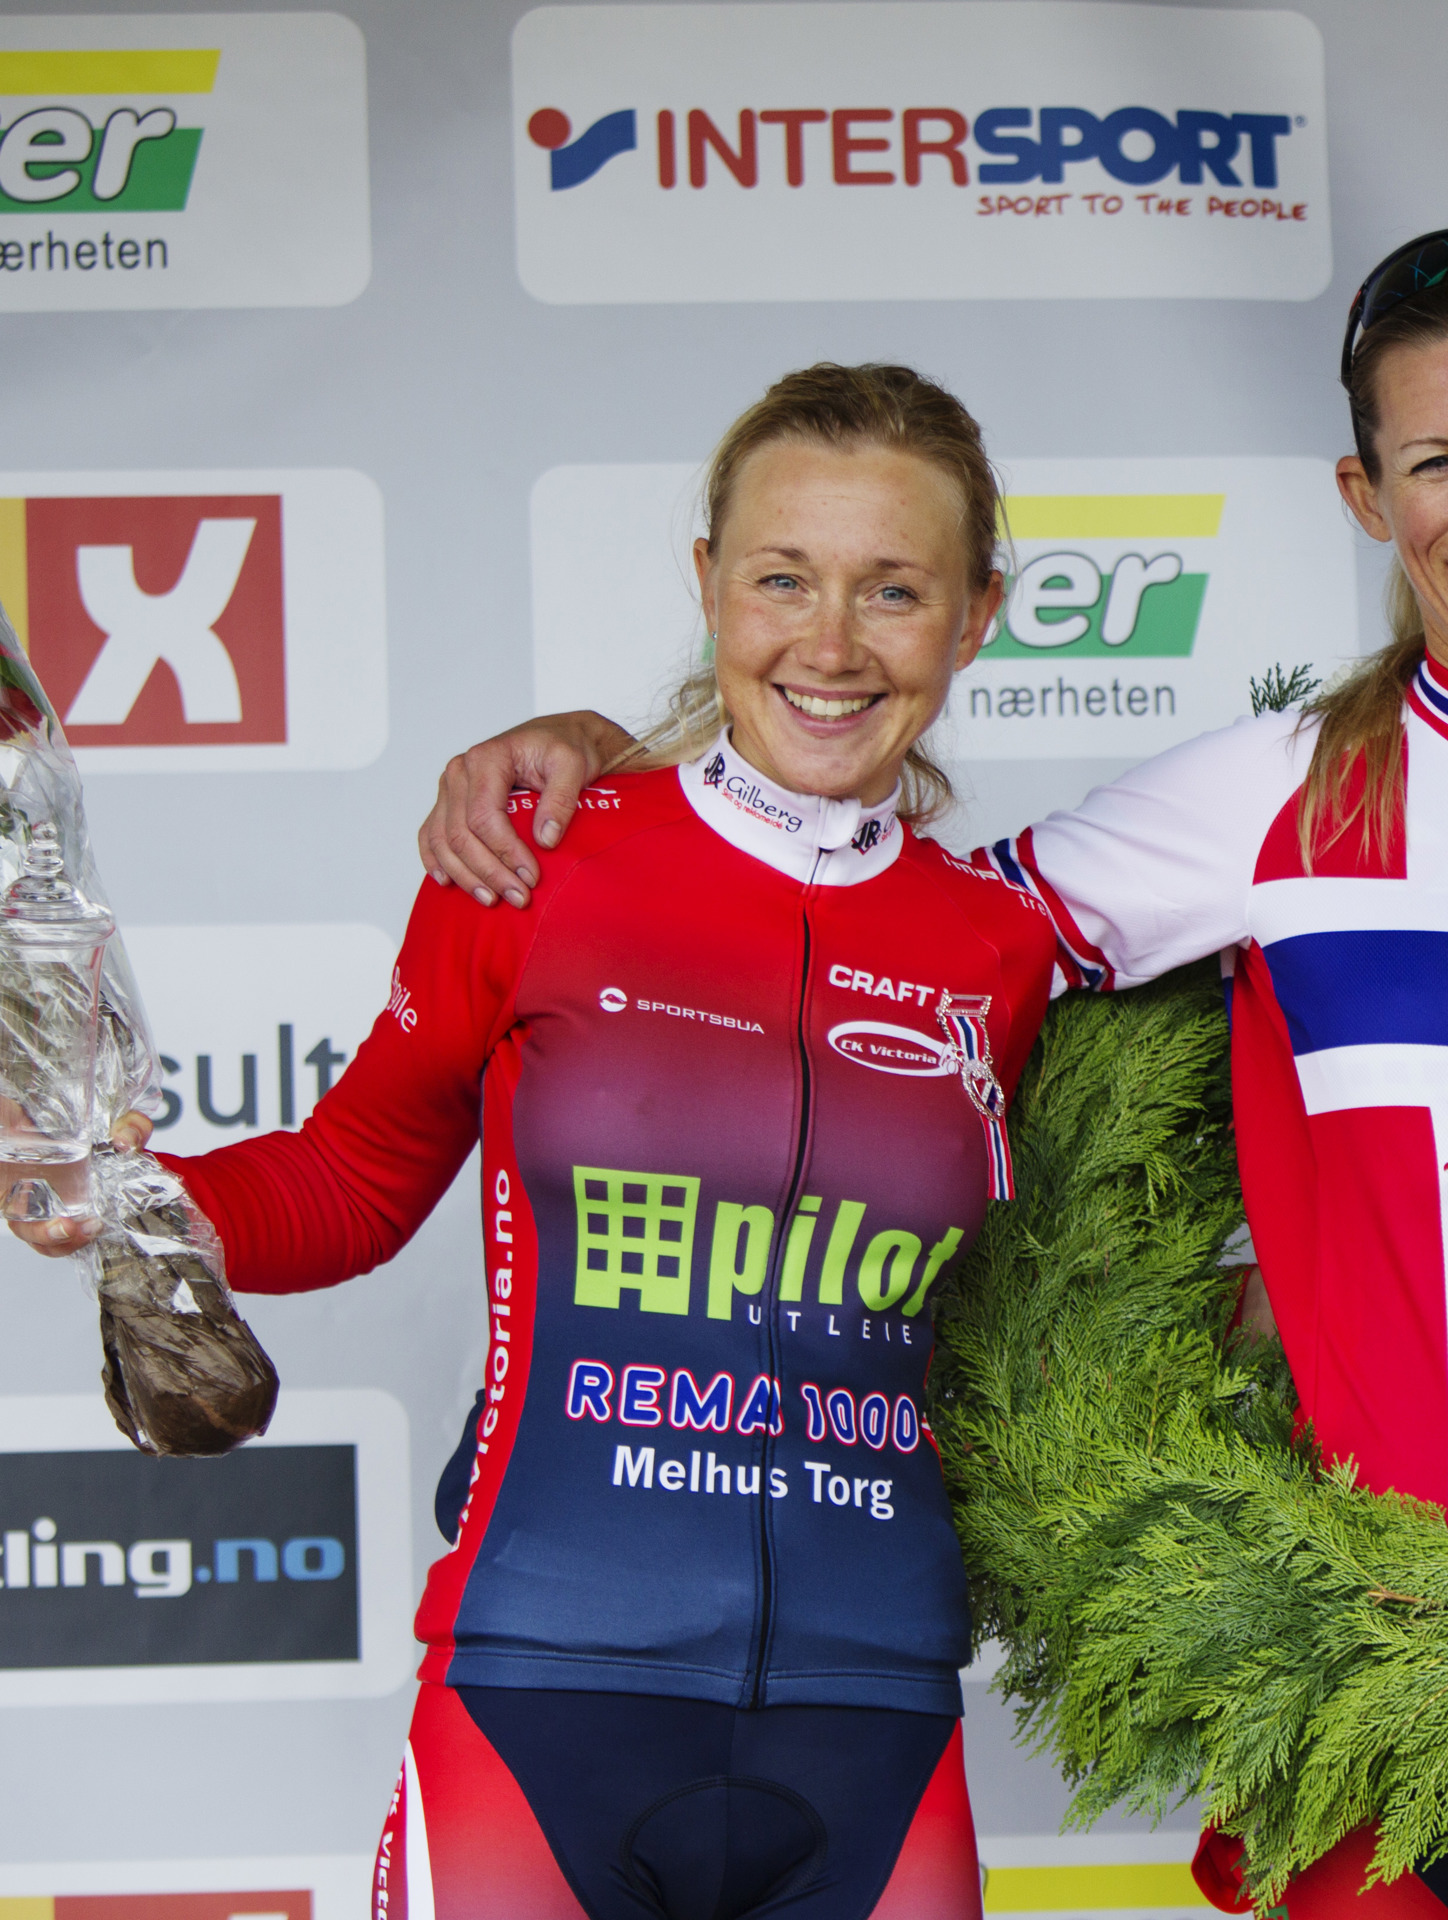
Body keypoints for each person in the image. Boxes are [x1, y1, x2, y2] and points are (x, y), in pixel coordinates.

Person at [413, 226, 1448, 1920]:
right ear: (1366, 493)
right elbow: (863, 929)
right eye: (1438, 460)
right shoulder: (1267, 793)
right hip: (1385, 1673)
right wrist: (615, 776)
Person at [33, 363, 1051, 1920]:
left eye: (894, 590)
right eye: (783, 579)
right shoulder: (539, 863)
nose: (832, 644)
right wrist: (120, 1199)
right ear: (708, 583)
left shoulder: (1000, 944)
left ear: (975, 617)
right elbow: (355, 1179)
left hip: (878, 1718)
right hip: (542, 1698)